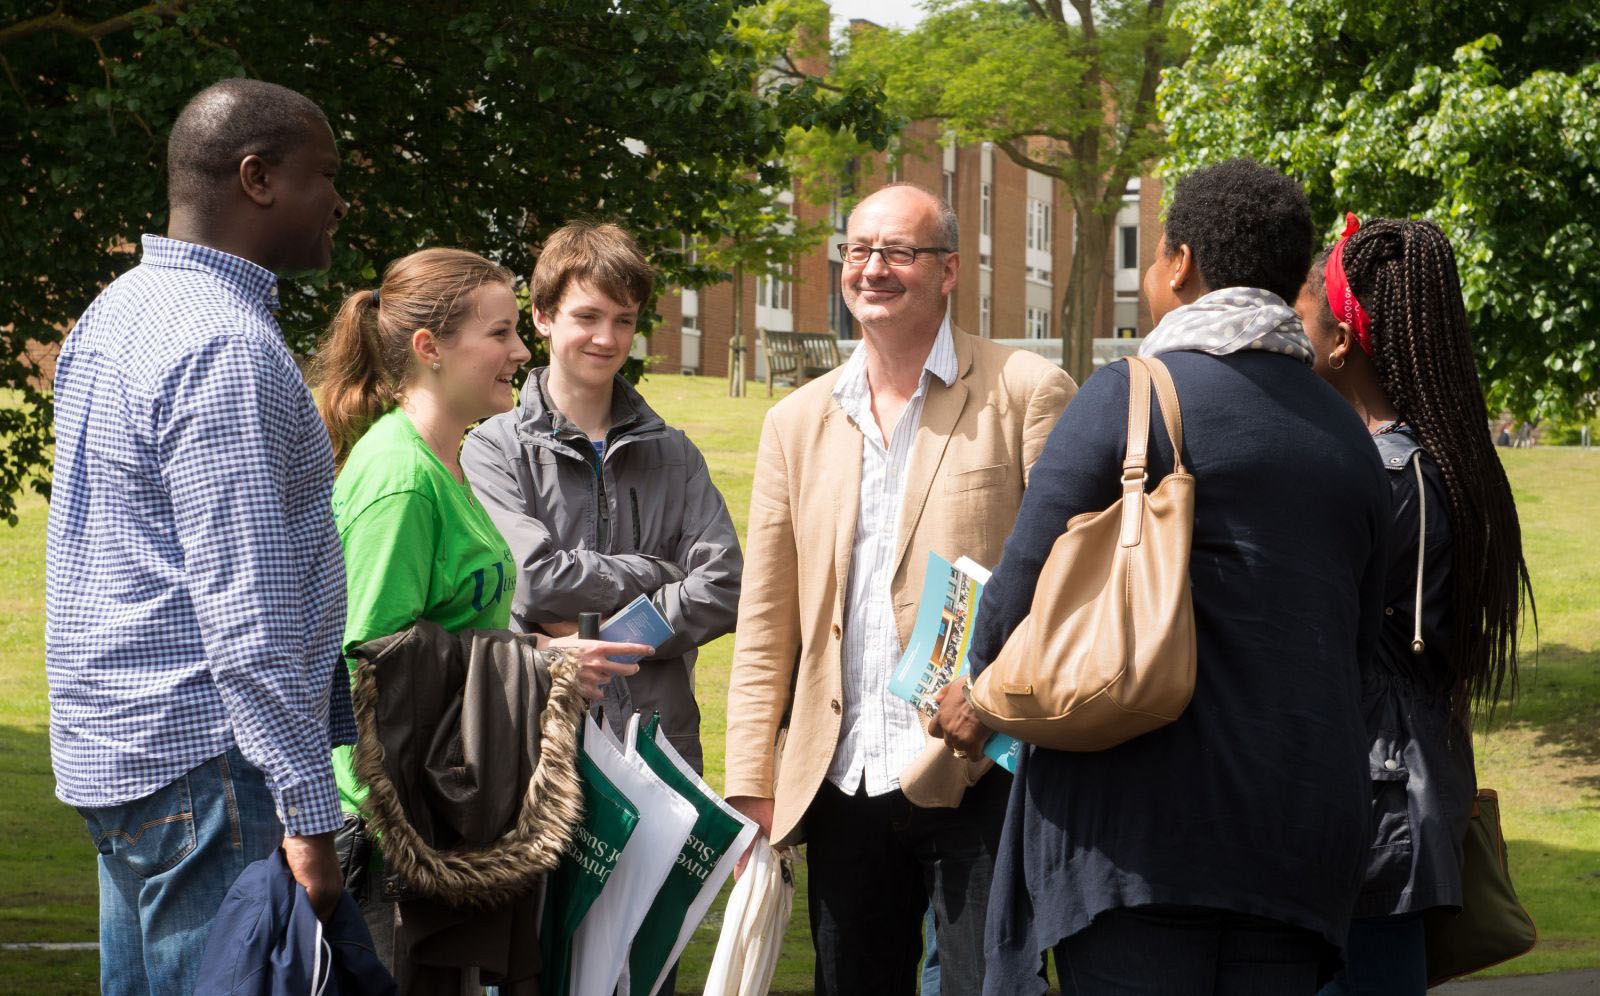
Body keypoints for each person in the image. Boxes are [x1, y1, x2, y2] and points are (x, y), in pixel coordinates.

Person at [941, 159, 1388, 995]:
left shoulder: (1128, 397)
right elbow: (1359, 653)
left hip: (1135, 837)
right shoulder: (1348, 435)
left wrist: (971, 692)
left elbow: (1014, 603)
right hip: (1300, 841)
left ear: (1179, 265)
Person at [722, 182, 1075, 995]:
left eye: (898, 253)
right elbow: (768, 618)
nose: (873, 269)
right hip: (842, 779)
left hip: (983, 771)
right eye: (857, 251)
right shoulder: (797, 421)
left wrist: (997, 702)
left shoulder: (1025, 391)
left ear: (949, 270)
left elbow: (1065, 593)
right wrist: (752, 786)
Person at [45, 79, 352, 995]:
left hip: (124, 756)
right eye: (325, 175)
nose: (340, 201)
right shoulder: (225, 345)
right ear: (256, 178)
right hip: (209, 766)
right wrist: (309, 808)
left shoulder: (117, 311)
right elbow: (246, 609)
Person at [313, 247, 649, 980]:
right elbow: (367, 663)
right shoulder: (400, 479)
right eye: (499, 334)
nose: (520, 351)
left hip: (435, 827)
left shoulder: (445, 459)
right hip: (388, 847)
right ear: (430, 350)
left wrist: (537, 653)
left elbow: (449, 637)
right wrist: (538, 663)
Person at [1295, 217, 1533, 996]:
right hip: (1397, 793)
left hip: (1376, 809)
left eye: (1303, 311)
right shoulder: (1427, 462)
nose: (1289, 326)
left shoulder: (1388, 476)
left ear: (1342, 341)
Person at [461, 221, 743, 780]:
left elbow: (724, 585)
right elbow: (532, 578)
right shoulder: (492, 449)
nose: (606, 339)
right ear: (542, 317)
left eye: (624, 321)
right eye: (587, 317)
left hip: (660, 749)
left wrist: (611, 640)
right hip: (539, 743)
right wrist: (657, 573)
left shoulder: (676, 454)